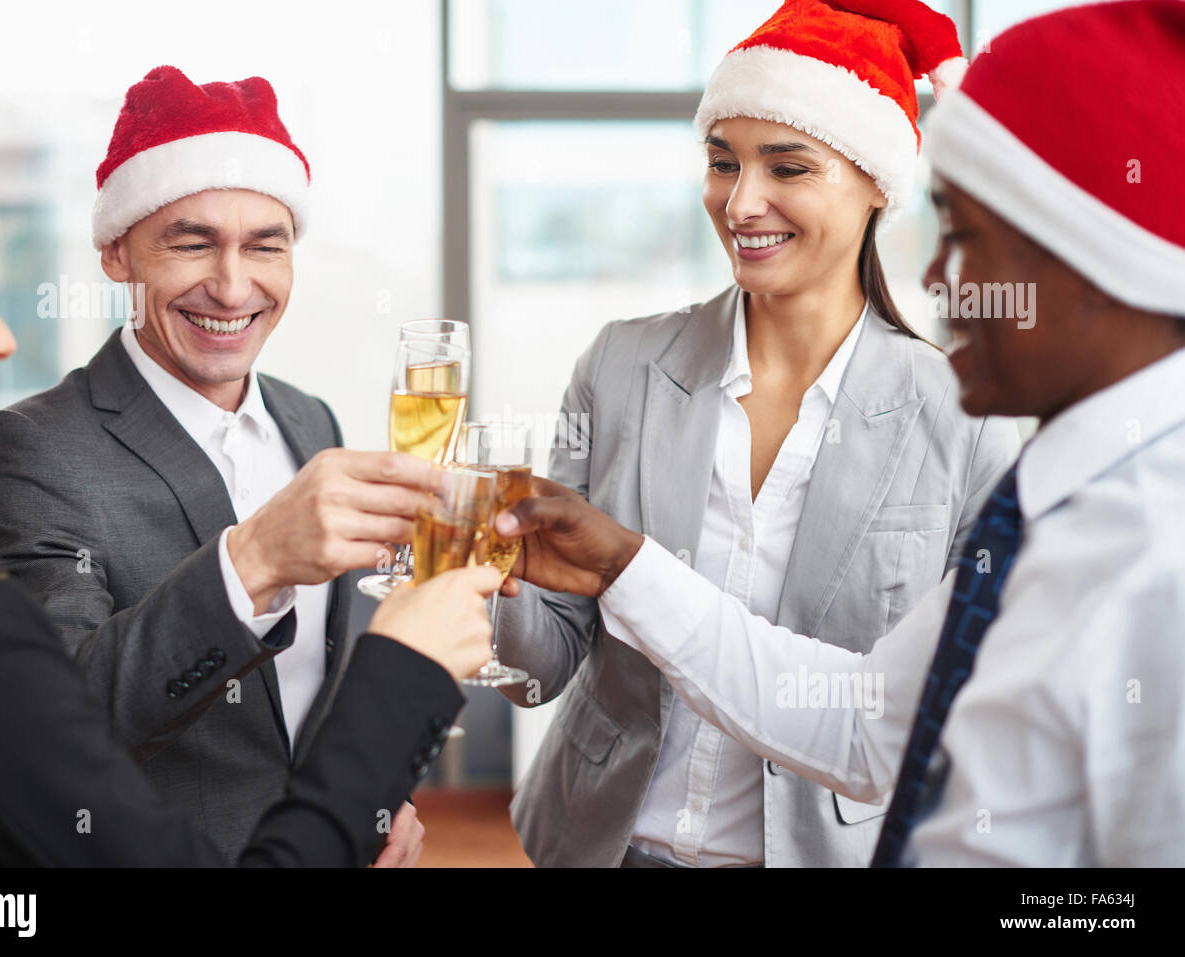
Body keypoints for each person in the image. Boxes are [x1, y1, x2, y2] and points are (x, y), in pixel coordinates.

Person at [496, 0, 1185, 865]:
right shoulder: (1057, 505)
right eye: (722, 162)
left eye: (966, 238)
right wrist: (598, 565)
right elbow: (862, 722)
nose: (939, 275)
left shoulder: (1129, 528)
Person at [0, 142, 502, 865]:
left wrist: (367, 801)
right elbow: (49, 728)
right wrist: (253, 561)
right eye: (192, 243)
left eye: (264, 246)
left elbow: (303, 703)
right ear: (117, 254)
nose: (233, 287)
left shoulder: (312, 422)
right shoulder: (29, 449)